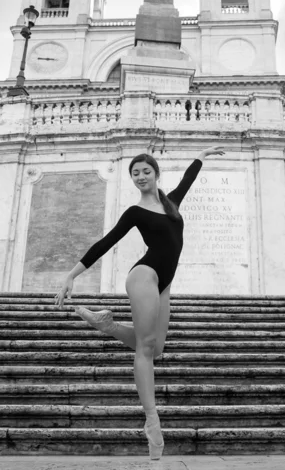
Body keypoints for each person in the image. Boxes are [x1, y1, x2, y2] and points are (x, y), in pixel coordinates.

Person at [54, 145, 225, 460]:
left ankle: (108, 325)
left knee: (156, 348)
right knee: (146, 349)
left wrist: (202, 154)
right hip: (143, 277)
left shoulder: (171, 203)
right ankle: (152, 420)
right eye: (135, 173)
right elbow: (106, 242)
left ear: (156, 174)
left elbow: (189, 178)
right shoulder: (135, 212)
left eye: (146, 171)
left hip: (164, 283)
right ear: (133, 179)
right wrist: (71, 275)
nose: (141, 176)